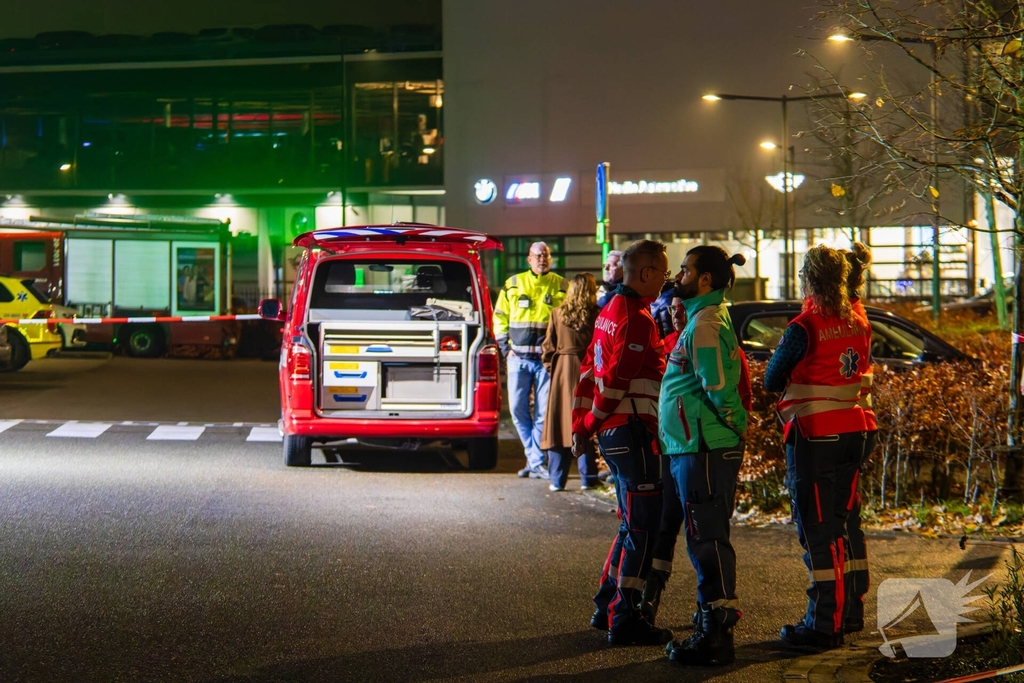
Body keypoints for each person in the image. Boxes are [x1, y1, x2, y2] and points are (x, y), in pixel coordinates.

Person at [764, 245, 871, 651]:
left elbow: (772, 380)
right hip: (854, 431)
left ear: (807, 279)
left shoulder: (803, 326)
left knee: (817, 532)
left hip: (814, 437)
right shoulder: (859, 319)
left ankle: (823, 625)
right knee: (842, 528)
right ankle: (845, 613)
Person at [572, 239, 673, 646]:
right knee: (644, 528)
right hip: (632, 431)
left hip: (616, 434)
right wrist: (593, 422)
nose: (666, 280)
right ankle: (624, 616)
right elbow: (616, 380)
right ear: (646, 273)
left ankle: (606, 602)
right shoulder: (637, 319)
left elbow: (588, 370)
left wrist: (581, 426)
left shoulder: (608, 311)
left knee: (631, 524)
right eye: (663, 273)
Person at [658, 247, 749, 667]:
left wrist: (734, 427)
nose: (679, 274)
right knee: (704, 539)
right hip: (695, 446)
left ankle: (716, 636)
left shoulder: (707, 323)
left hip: (705, 448)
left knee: (707, 540)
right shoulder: (701, 317)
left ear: (706, 280)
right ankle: (709, 624)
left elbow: (716, 388)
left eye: (686, 269)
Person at [493, 241, 567, 479]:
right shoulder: (513, 284)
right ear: (528, 259)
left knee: (543, 413)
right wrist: (505, 348)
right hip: (518, 358)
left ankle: (534, 461)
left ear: (550, 257)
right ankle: (535, 458)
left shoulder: (561, 285)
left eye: (545, 255)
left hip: (547, 360)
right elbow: (499, 317)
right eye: (537, 255)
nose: (542, 259)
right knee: (516, 409)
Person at [541, 273, 600, 492]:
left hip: (562, 373)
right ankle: (588, 477)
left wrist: (554, 370)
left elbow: (548, 347)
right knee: (585, 422)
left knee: (559, 425)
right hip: (587, 371)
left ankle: (557, 479)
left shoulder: (556, 313)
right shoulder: (596, 315)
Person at [843, 242, 874, 634]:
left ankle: (843, 608)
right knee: (849, 520)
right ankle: (852, 603)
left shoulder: (828, 318)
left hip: (831, 430)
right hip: (860, 424)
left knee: (834, 524)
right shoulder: (858, 314)